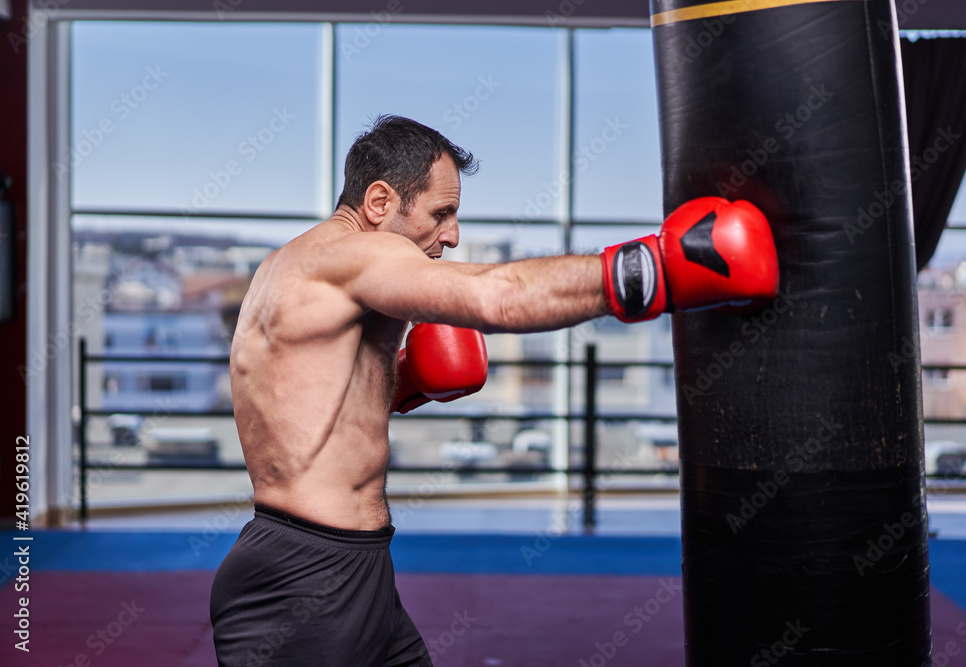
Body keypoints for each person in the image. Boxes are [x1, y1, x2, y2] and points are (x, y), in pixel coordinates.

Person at [210, 115, 779, 666]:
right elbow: (498, 297)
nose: (452, 235)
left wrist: (402, 382)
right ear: (380, 202)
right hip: (307, 580)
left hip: (347, 566)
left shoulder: (286, 267)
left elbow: (306, 404)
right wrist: (659, 266)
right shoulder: (357, 254)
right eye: (441, 213)